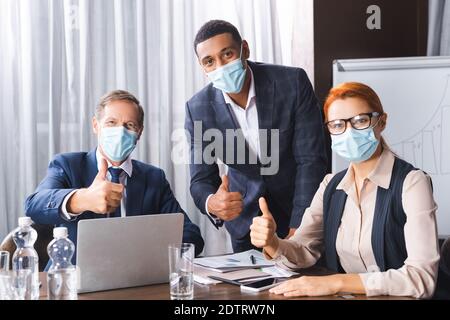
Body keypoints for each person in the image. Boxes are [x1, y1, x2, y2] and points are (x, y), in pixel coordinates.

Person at [250, 82, 441, 299]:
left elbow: (421, 278)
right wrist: (273, 243)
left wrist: (337, 282)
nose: (348, 132)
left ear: (381, 121)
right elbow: (303, 251)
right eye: (337, 125)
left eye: (360, 120)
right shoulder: (331, 185)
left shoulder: (412, 183)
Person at [185, 20, 328, 252]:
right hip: (246, 224)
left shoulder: (292, 83)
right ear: (203, 67)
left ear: (245, 49)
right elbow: (200, 180)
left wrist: (300, 226)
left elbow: (311, 160)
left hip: (299, 214)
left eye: (227, 54)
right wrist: (213, 203)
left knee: (302, 286)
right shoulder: (198, 108)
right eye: (209, 61)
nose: (220, 66)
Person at [25, 90, 204, 264]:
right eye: (111, 122)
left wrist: (151, 256)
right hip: (72, 279)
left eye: (130, 125)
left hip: (135, 279)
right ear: (96, 125)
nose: (120, 132)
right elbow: (34, 205)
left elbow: (190, 234)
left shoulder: (153, 177)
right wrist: (82, 199)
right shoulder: (67, 164)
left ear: (139, 132)